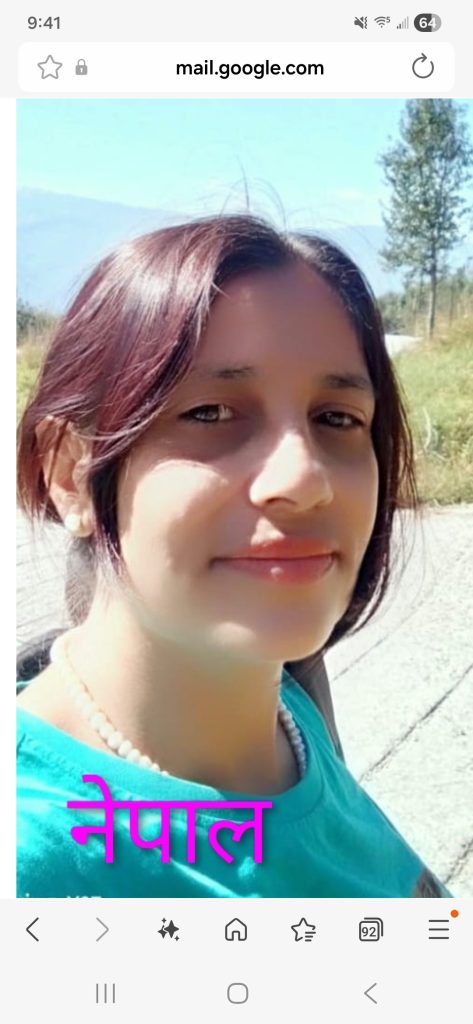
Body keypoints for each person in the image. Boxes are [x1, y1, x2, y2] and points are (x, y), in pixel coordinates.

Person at [16, 213, 451, 897]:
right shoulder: (34, 864)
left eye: (336, 418)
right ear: (70, 473)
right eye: (212, 413)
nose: (304, 479)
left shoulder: (289, 714)